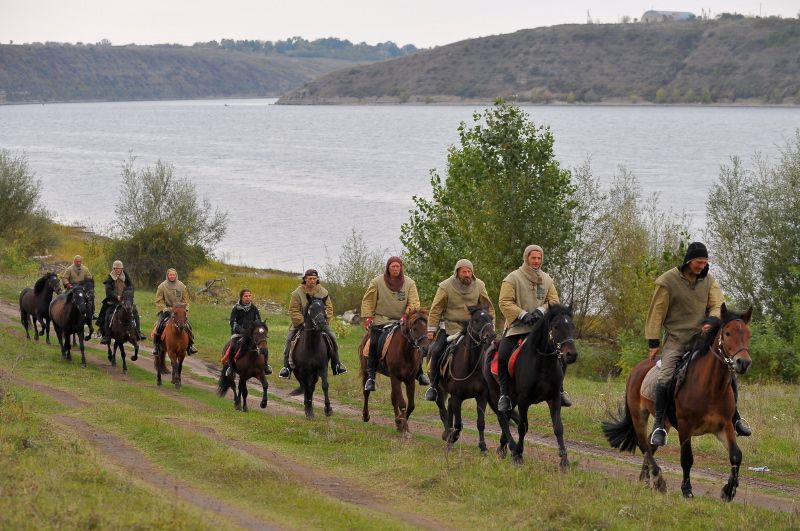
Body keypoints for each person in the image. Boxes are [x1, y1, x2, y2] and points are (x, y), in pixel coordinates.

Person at [645, 241, 752, 446]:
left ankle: (735, 418)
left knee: (728, 372)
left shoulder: (709, 280)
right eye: (698, 262)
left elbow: (717, 305)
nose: (702, 266)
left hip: (702, 340)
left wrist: (712, 321)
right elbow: (656, 313)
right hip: (676, 340)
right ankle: (659, 424)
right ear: (688, 260)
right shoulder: (667, 281)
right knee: (666, 375)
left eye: (705, 262)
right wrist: (653, 342)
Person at [496, 245, 569, 412]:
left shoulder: (547, 279)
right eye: (533, 258)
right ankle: (504, 395)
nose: (536, 261)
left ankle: (560, 389)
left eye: (539, 258)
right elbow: (504, 302)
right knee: (503, 355)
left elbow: (554, 301)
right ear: (526, 258)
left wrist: (540, 311)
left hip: (541, 330)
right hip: (517, 328)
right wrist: (522, 314)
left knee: (559, 355)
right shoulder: (512, 278)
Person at [424, 259, 495, 401]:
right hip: (451, 327)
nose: (467, 274)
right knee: (437, 351)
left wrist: (489, 323)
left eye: (469, 271)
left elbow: (488, 306)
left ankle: (493, 385)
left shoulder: (480, 285)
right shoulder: (445, 286)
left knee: (491, 352)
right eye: (464, 271)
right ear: (457, 272)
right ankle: (433, 386)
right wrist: (431, 329)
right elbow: (436, 308)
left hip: (474, 329)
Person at [361, 256, 428, 392]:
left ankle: (420, 373)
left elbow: (414, 302)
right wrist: (368, 316)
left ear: (401, 268)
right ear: (388, 268)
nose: (396, 269)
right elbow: (368, 300)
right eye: (393, 266)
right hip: (381, 320)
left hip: (402, 320)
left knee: (415, 341)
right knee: (374, 343)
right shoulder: (376, 282)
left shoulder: (409, 283)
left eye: (398, 266)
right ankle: (371, 377)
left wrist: (406, 315)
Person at [278, 269, 347, 378]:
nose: (312, 281)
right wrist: (302, 323)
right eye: (310, 278)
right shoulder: (297, 293)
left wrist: (324, 321)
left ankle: (336, 365)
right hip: (301, 324)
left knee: (333, 338)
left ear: (317, 279)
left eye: (314, 278)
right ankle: (286, 367)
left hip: (321, 323)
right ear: (305, 279)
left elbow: (329, 308)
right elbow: (293, 310)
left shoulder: (323, 292)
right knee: (289, 340)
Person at [97, 260, 146, 344]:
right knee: (107, 315)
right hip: (113, 302)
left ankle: (138, 332)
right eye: (116, 268)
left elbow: (131, 287)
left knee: (135, 313)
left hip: (126, 301)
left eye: (120, 268)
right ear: (114, 269)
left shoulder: (126, 276)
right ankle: (106, 336)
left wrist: (127, 295)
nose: (118, 270)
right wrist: (117, 297)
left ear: (122, 268)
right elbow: (108, 291)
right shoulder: (110, 278)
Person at [225, 288, 271, 376]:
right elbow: (233, 323)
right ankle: (231, 367)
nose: (248, 298)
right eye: (246, 296)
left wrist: (256, 331)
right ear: (241, 297)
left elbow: (258, 321)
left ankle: (265, 365)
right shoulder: (236, 309)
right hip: (238, 334)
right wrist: (242, 331)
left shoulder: (254, 308)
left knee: (264, 346)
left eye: (250, 296)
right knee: (233, 346)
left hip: (252, 335)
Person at [152, 268, 197, 355]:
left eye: (173, 275)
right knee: (159, 326)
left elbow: (186, 300)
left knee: (188, 326)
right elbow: (158, 300)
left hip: (179, 310)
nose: (172, 276)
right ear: (167, 275)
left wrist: (185, 309)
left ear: (176, 275)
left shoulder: (182, 286)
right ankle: (156, 347)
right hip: (166, 310)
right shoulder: (162, 286)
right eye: (170, 275)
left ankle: (190, 346)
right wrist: (165, 309)